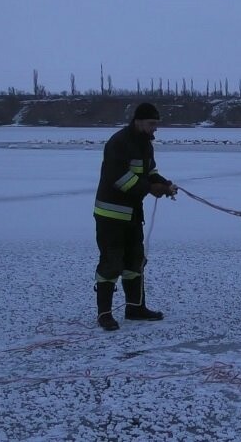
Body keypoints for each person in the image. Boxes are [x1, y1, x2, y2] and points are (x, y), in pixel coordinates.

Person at [93, 103, 178, 331]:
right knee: (111, 263)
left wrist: (163, 183)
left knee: (134, 262)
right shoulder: (118, 143)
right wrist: (150, 189)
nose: (155, 129)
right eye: (151, 124)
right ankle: (104, 314)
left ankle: (135, 308)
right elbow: (118, 178)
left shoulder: (145, 145)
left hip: (132, 215)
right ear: (138, 121)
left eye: (156, 125)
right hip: (110, 215)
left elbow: (149, 173)